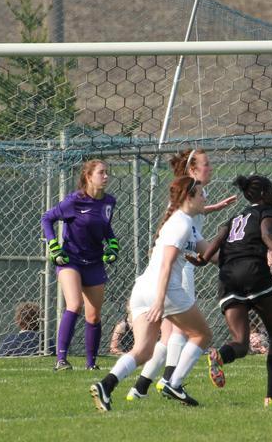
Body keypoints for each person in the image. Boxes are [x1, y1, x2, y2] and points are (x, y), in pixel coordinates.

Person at [90, 176, 217, 411]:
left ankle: (105, 385)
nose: (205, 198)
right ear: (188, 197)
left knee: (144, 350)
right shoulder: (180, 224)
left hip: (143, 290)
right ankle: (173, 384)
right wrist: (159, 301)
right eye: (201, 194)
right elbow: (166, 264)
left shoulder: (187, 224)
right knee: (202, 334)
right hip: (163, 290)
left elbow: (213, 255)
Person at [126, 148, 236, 399]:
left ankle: (140, 387)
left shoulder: (197, 194)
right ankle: (169, 381)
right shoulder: (185, 197)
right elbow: (176, 229)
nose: (210, 168)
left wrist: (213, 208)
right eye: (205, 164)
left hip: (179, 265)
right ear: (192, 170)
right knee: (181, 332)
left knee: (167, 335)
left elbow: (195, 213)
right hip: (179, 267)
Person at [189, 174, 272, 407]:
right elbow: (266, 235)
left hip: (228, 278)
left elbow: (218, 239)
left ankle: (220, 355)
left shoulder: (234, 218)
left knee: (240, 343)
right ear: (263, 194)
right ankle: (271, 397)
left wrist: (202, 260)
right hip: (254, 272)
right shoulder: (266, 211)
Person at [41, 159, 119, 371]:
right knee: (74, 304)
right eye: (101, 172)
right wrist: (54, 246)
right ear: (88, 176)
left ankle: (91, 364)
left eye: (107, 172)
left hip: (94, 262)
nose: (106, 176)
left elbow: (105, 228)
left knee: (94, 315)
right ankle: (61, 360)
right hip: (71, 260)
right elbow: (47, 218)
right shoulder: (74, 201)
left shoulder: (109, 202)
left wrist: (113, 245)